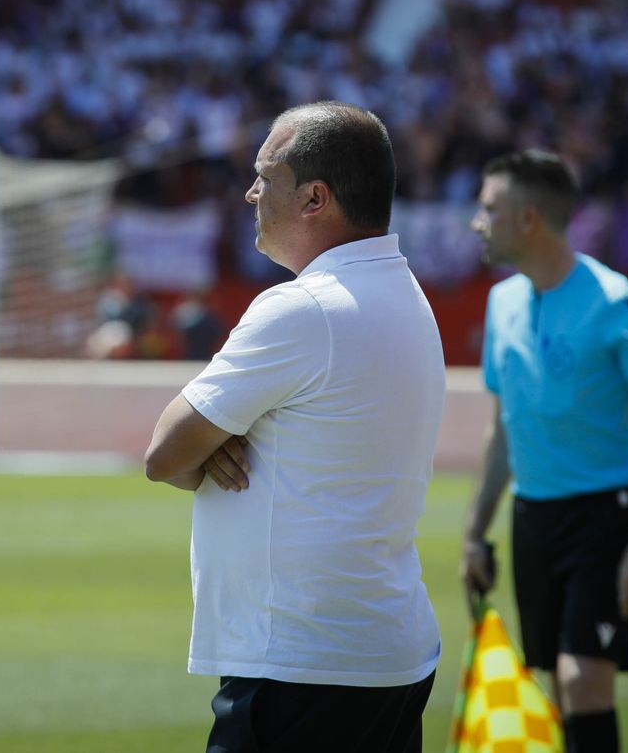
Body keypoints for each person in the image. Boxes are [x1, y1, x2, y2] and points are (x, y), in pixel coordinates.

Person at [145, 102, 448, 753]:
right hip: (381, 655)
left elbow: (165, 453)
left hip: (302, 665)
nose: (251, 192)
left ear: (314, 196)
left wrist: (217, 439)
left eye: (265, 175)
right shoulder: (406, 294)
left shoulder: (302, 308)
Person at [460, 149, 628, 753]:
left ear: (528, 219)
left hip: (607, 517)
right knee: (557, 691)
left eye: (488, 209)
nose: (475, 222)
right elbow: (503, 428)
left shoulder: (615, 303)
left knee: (582, 678)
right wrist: (474, 532)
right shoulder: (501, 303)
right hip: (533, 518)